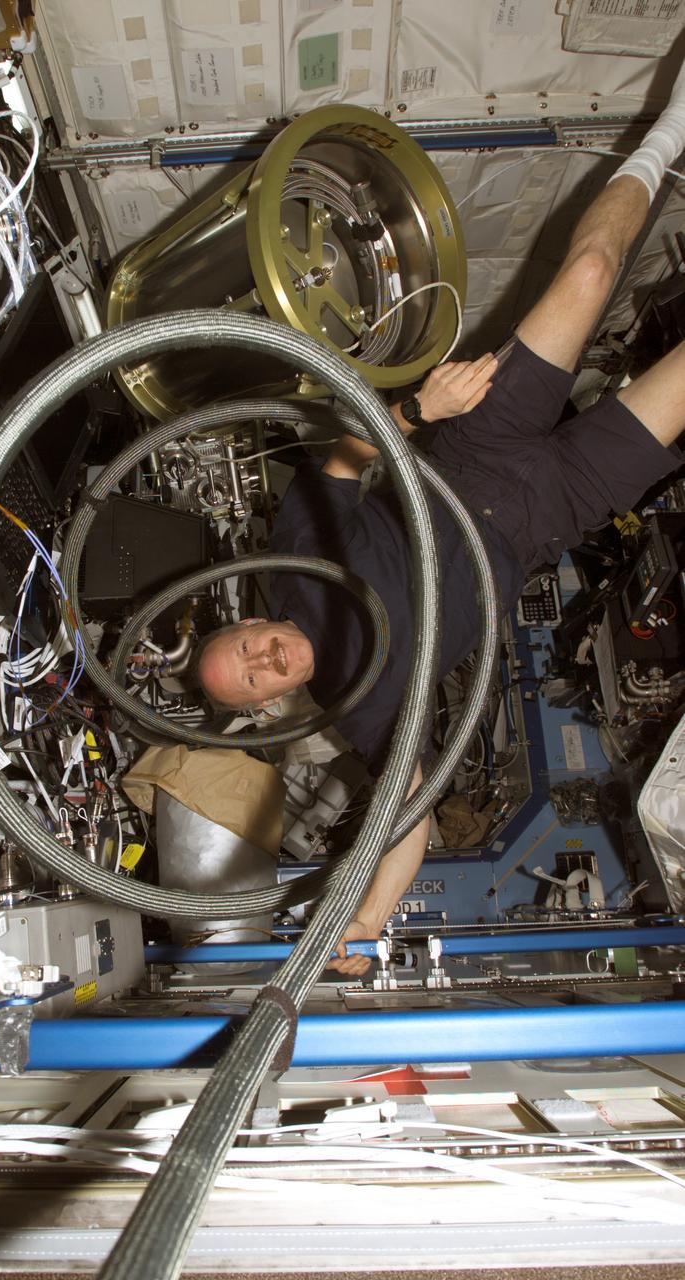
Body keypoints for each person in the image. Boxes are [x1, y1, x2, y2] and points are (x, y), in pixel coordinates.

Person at [198, 67, 685, 976]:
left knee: (587, 270)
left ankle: (671, 127)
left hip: (476, 442)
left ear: (251, 621)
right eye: (255, 680)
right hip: (552, 511)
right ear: (268, 705)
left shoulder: (294, 557)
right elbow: (406, 816)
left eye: (250, 647)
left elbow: (346, 454)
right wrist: (366, 923)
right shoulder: (365, 710)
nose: (267, 661)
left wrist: (419, 410)